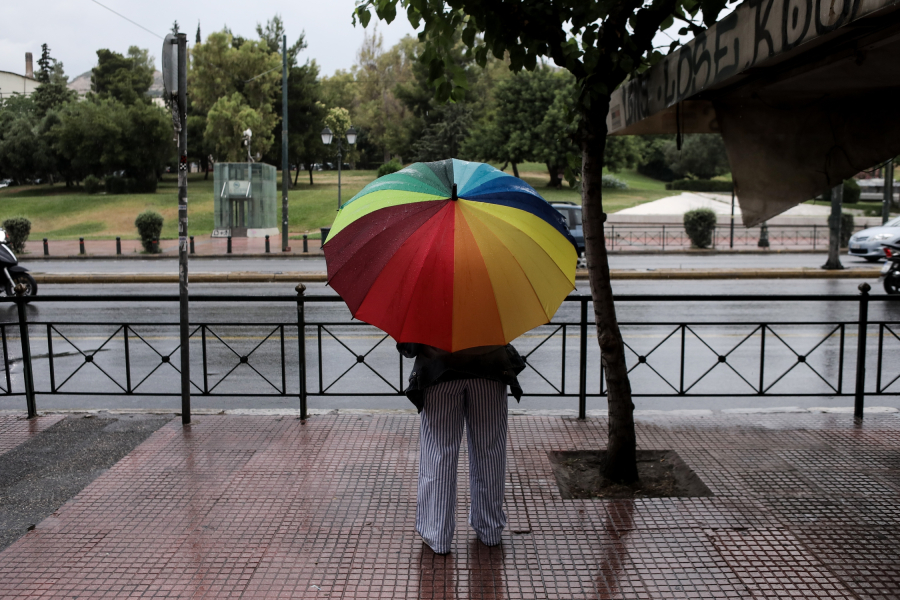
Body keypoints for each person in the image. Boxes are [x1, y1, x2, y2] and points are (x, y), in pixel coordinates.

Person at [397, 342, 526, 555]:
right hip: (489, 369)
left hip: (439, 372)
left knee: (439, 453)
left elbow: (409, 348)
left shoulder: (428, 306)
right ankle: (490, 529)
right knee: (490, 451)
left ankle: (437, 533)